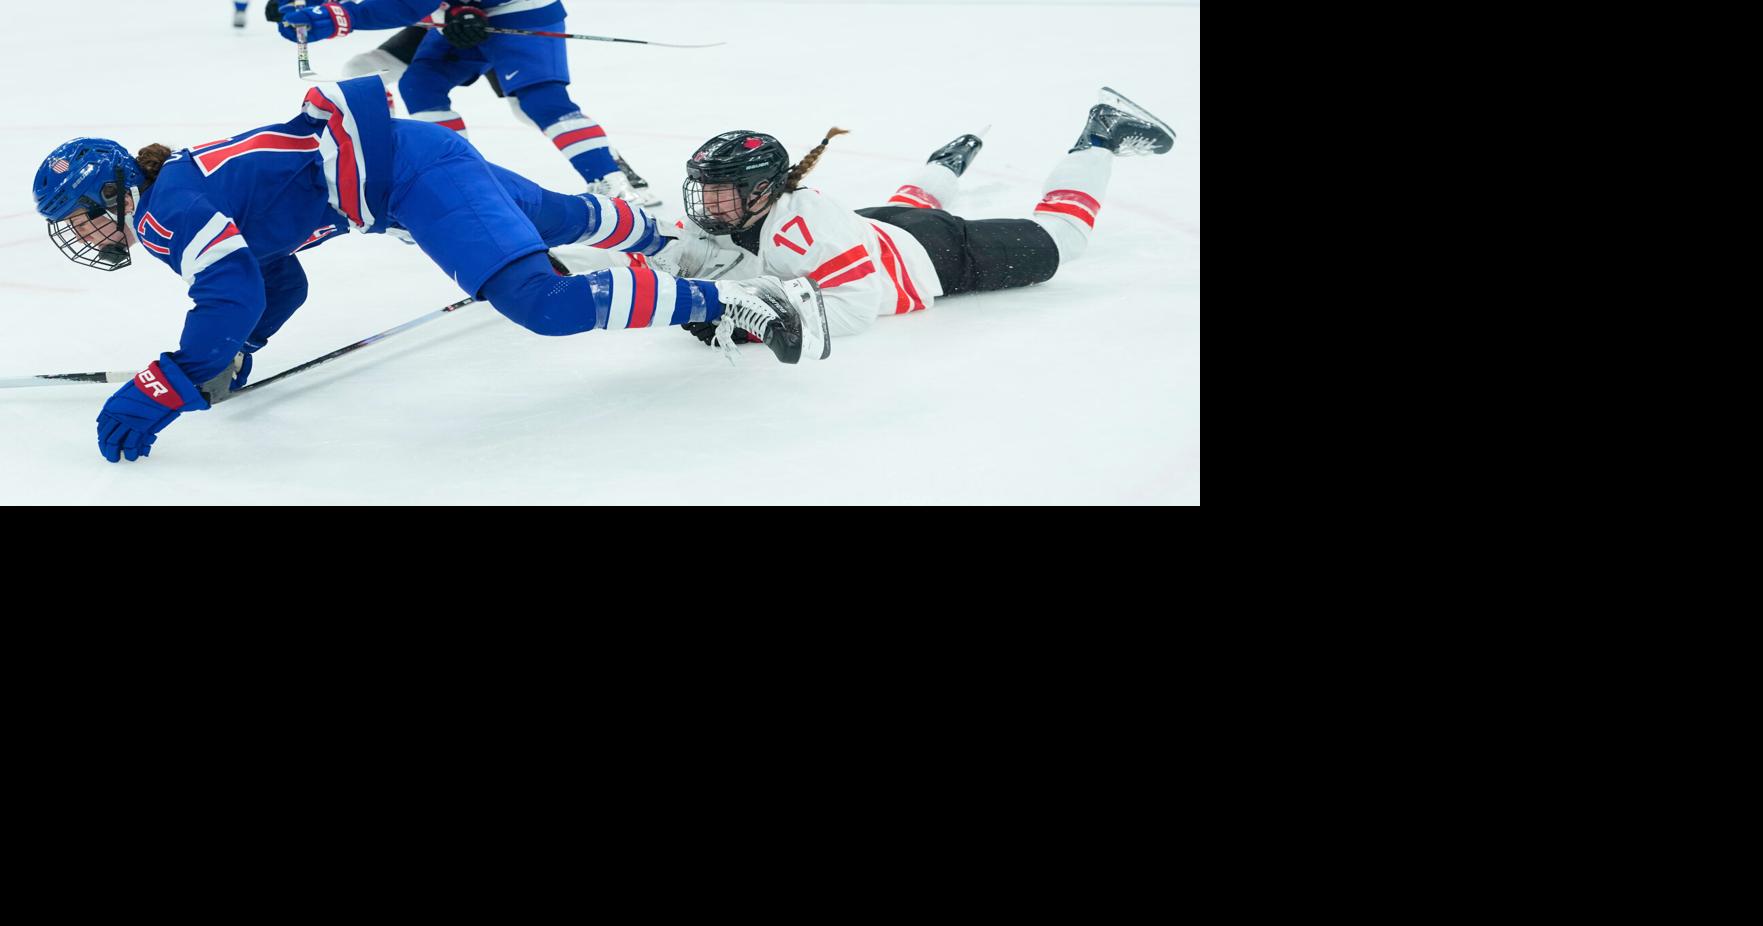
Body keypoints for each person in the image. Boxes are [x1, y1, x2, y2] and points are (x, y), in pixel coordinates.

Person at [31, 74, 828, 464]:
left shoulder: (166, 213)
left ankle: (736, 298)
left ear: (113, 189)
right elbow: (276, 280)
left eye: (82, 213)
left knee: (540, 301)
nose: (85, 232)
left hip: (412, 180)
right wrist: (239, 348)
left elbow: (232, 289)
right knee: (555, 216)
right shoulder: (172, 192)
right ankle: (661, 238)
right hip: (416, 165)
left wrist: (174, 377)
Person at [650, 87, 1175, 347]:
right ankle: (943, 166)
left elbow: (855, 306)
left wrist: (757, 324)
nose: (708, 205)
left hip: (935, 253)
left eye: (723, 193)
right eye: (705, 191)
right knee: (906, 206)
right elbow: (678, 252)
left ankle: (1101, 135)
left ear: (762, 190)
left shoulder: (801, 231)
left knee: (1066, 237)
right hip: (877, 226)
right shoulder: (744, 217)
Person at [274, 0, 653, 203]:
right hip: (449, 17)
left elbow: (403, 5)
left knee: (538, 103)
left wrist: (330, 17)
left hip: (512, 9)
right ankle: (460, 179)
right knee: (418, 84)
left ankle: (608, 174)